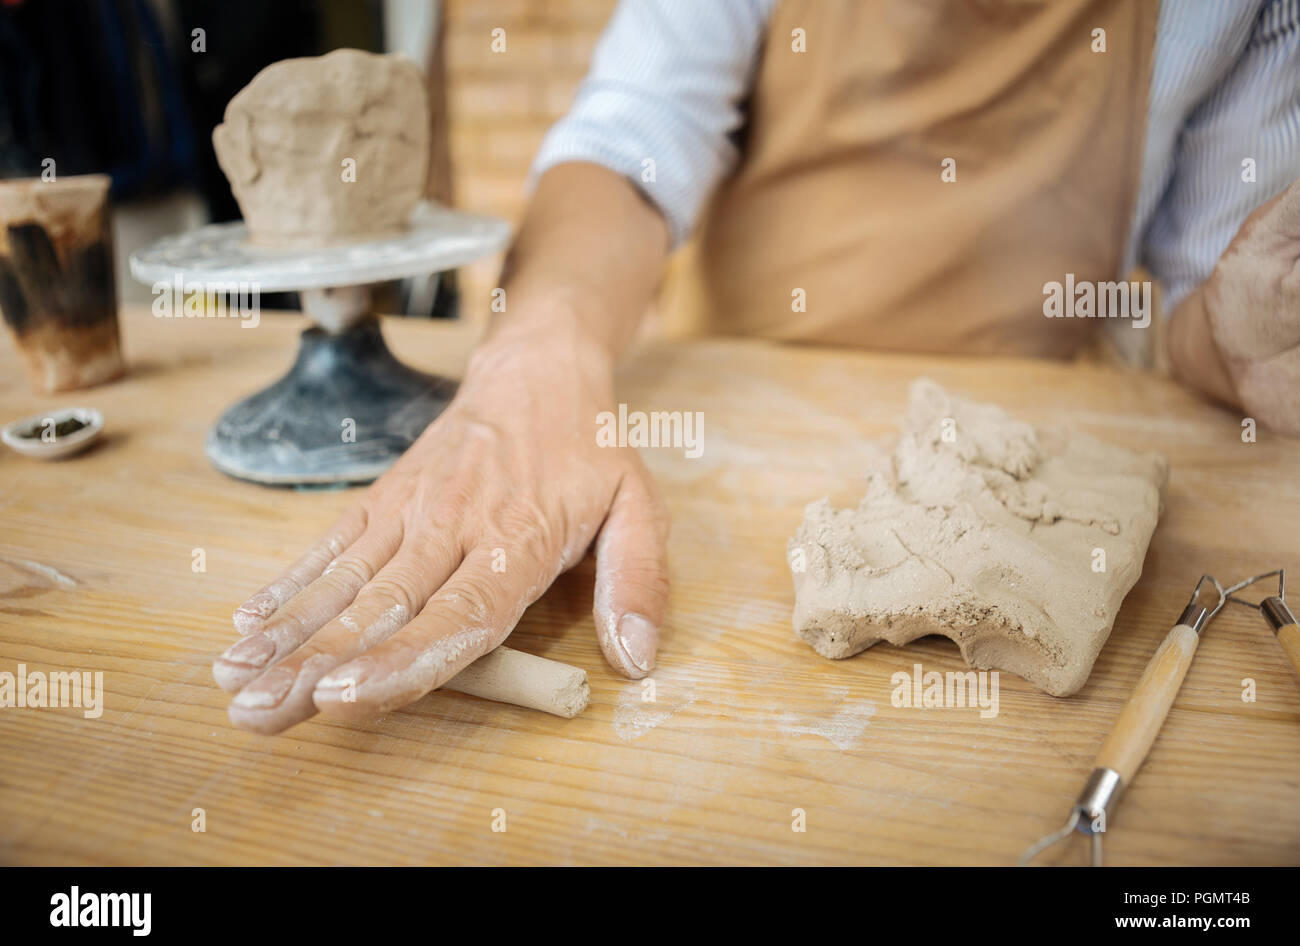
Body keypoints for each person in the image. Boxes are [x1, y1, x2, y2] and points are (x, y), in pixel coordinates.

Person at [213, 0, 1300, 733]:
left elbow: (1201, 298)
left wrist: (1241, 342)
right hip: (735, 386)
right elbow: (631, 138)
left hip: (1037, 417)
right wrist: (535, 365)